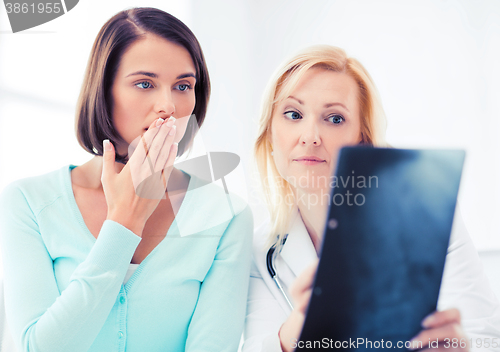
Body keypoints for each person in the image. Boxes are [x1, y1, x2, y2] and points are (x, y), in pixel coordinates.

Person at [0, 7, 252, 352]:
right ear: (103, 90)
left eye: (183, 86)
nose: (168, 106)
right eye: (145, 83)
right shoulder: (29, 202)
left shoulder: (225, 215)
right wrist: (124, 223)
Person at [243, 45, 500, 352]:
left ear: (362, 140)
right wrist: (293, 335)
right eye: (293, 114)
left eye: (335, 119)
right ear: (270, 136)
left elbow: (487, 339)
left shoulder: (427, 220)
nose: (310, 135)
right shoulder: (260, 253)